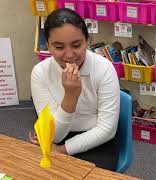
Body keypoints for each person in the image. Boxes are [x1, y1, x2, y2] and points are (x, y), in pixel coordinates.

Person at [29, 8, 120, 171]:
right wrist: (70, 97)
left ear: (87, 41)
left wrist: (63, 150)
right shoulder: (40, 73)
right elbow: (55, 136)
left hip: (96, 139)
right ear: (48, 46)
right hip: (57, 136)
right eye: (58, 47)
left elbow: (107, 129)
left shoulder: (104, 69)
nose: (69, 55)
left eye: (77, 45)